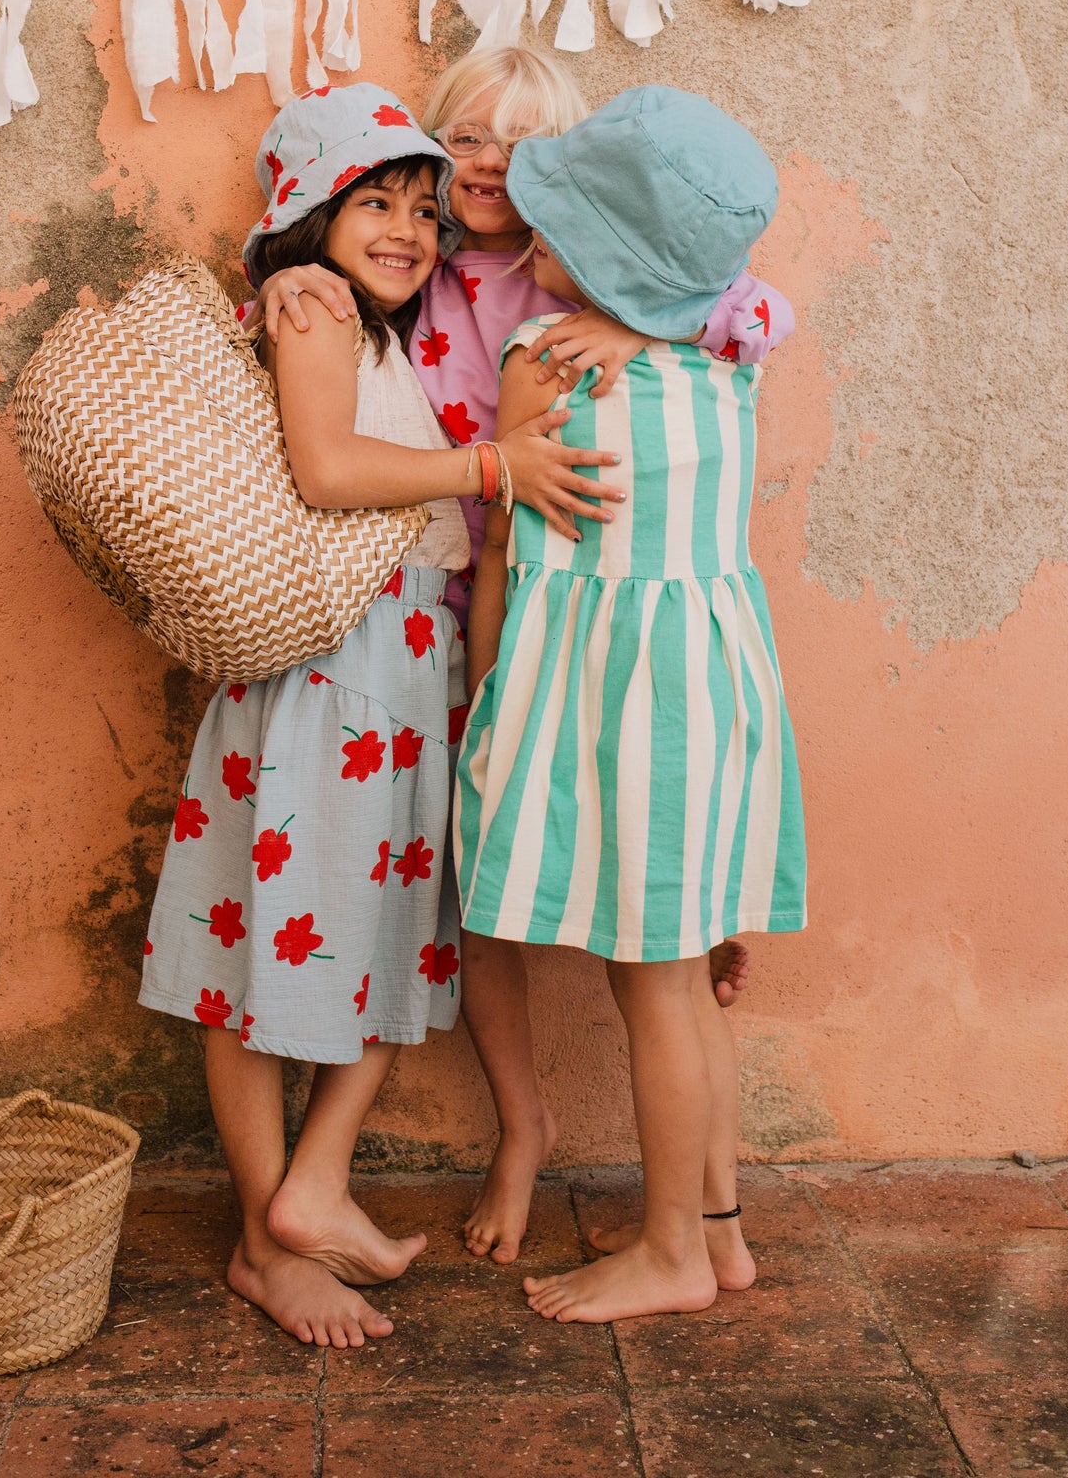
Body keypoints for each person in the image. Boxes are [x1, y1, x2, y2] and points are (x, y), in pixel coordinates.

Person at [254, 47, 794, 1262]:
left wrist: (624, 313)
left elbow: (747, 305)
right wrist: (287, 290)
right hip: (459, 594)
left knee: (637, 899)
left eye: (519, 141)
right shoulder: (418, 263)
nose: (489, 161)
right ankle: (523, 1127)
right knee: (475, 886)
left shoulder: (580, 285)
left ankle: (691, 1172)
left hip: (571, 604)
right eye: (468, 137)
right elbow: (333, 294)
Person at [138, 83, 616, 1349]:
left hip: (396, 678)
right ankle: (268, 1236)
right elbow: (326, 470)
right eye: (375, 201)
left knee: (387, 933)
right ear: (308, 213)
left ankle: (306, 1188)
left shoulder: (384, 324)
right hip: (324, 673)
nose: (408, 225)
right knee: (263, 958)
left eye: (420, 205)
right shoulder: (316, 307)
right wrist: (489, 467)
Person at [457, 86, 806, 1323]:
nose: (530, 234)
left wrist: (490, 692)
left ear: (597, 252)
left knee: (652, 984)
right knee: (686, 983)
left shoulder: (535, 360)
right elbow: (734, 305)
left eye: (556, 219)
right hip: (714, 698)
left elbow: (502, 552)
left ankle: (665, 1253)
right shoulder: (728, 363)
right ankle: (714, 1229)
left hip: (618, 705)